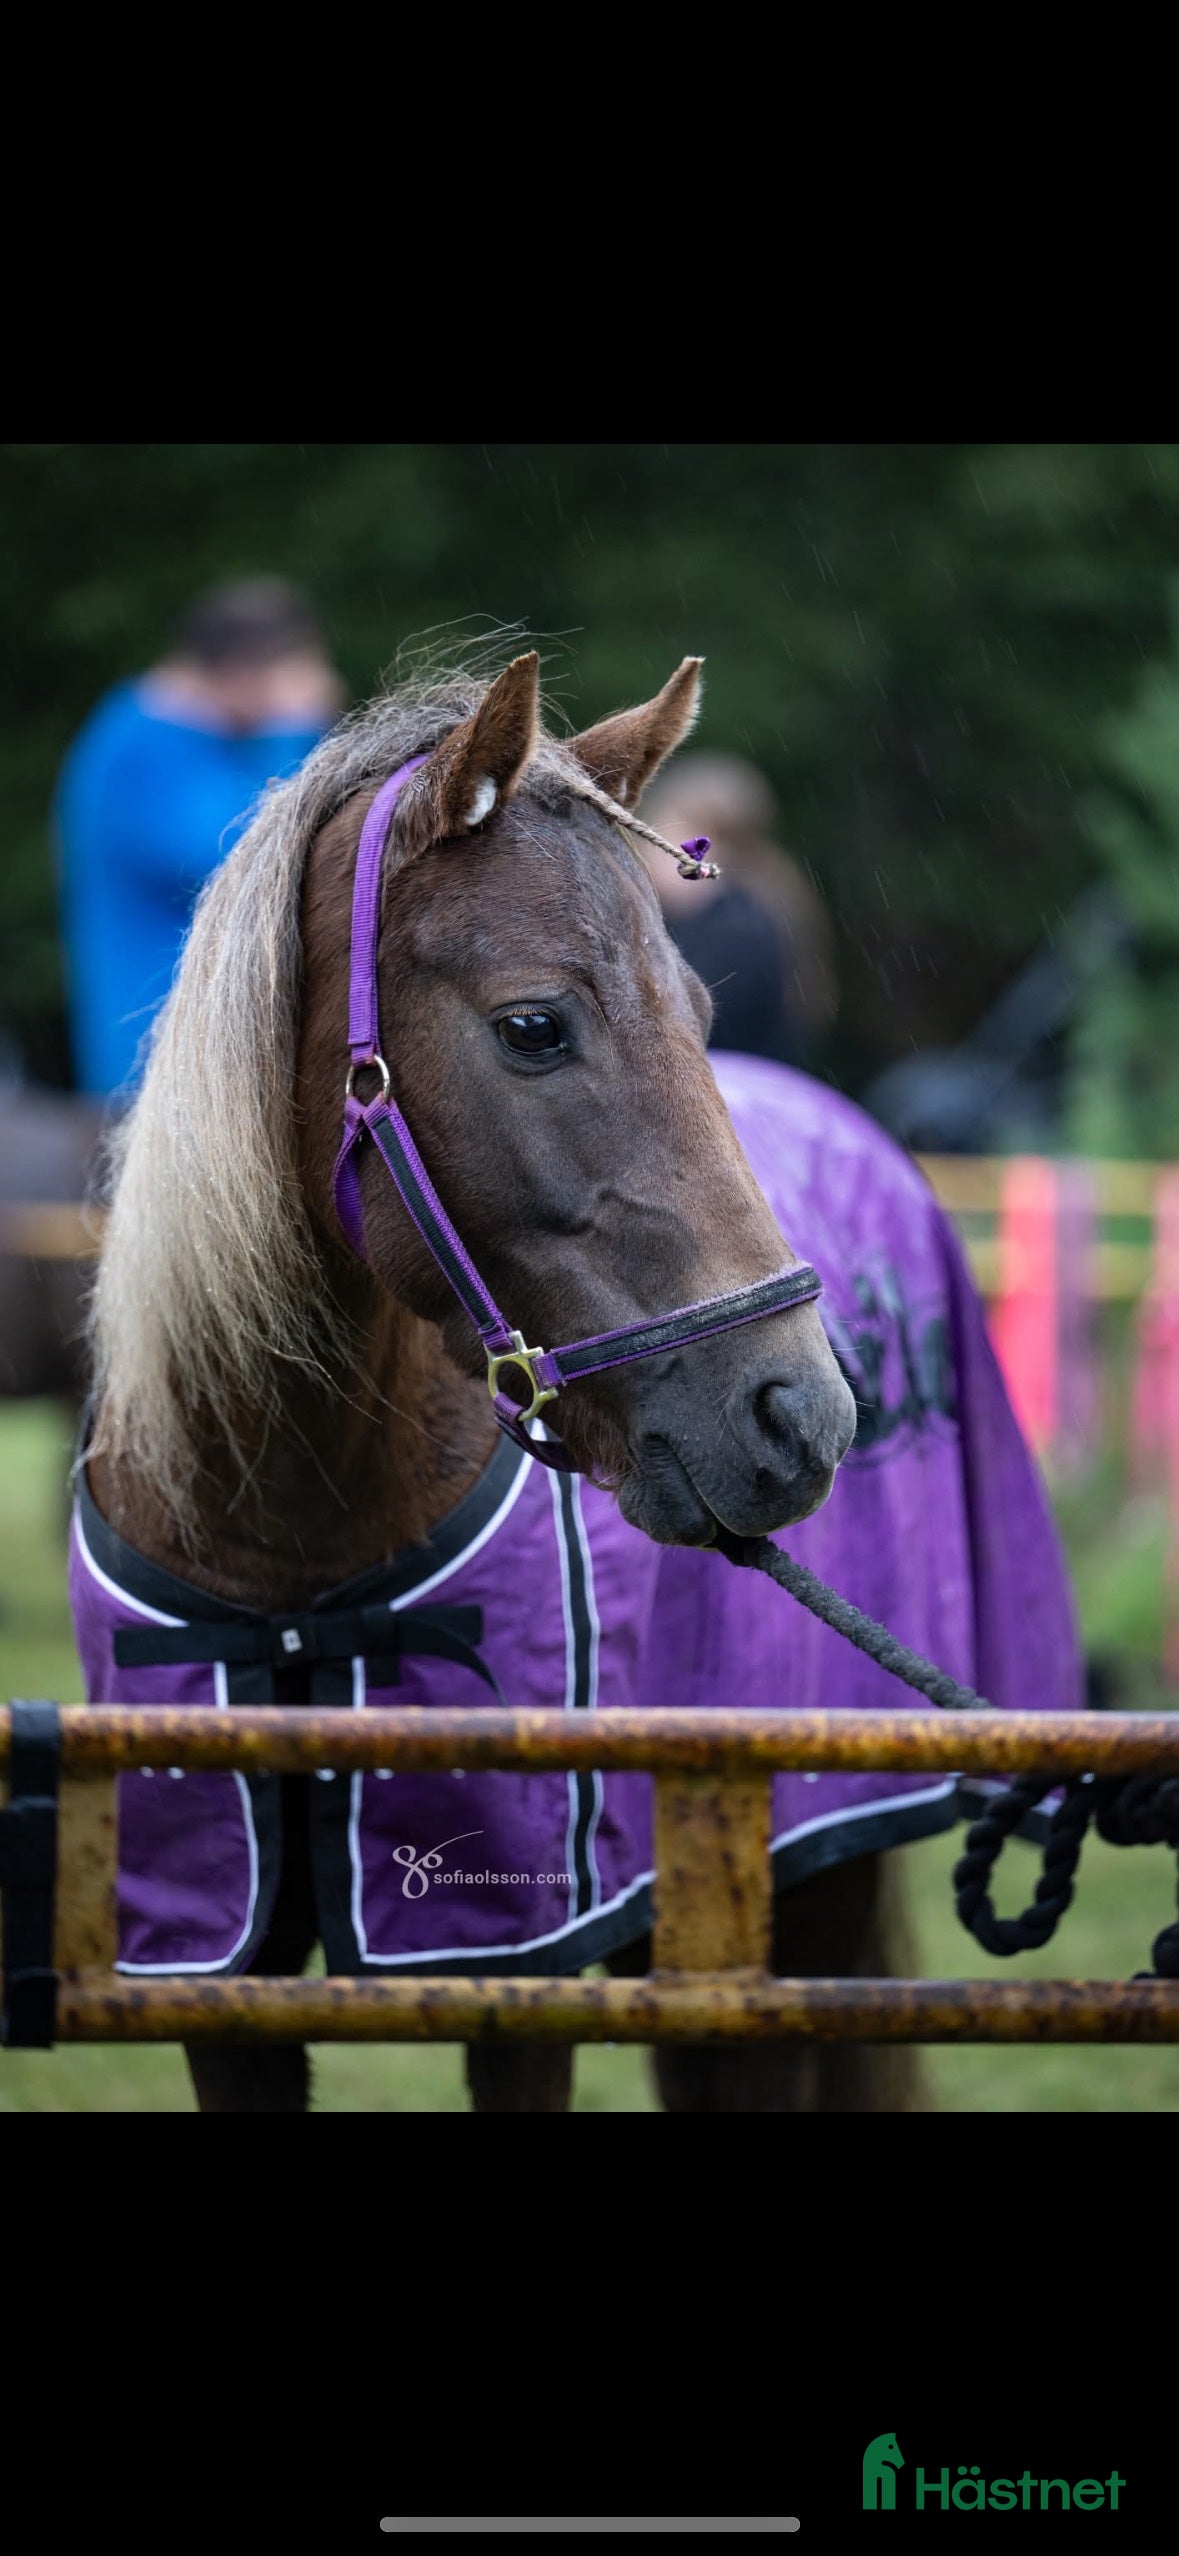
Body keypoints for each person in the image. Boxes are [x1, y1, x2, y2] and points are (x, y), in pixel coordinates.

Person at [56, 577, 345, 1100]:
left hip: (191, 1056)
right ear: (242, 673)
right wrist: (292, 725)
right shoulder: (141, 747)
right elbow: (251, 853)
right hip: (156, 1065)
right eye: (294, 676)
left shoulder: (195, 740)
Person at [639, 752, 838, 1069]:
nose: (647, 852)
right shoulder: (743, 916)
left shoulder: (736, 931)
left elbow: (672, 1026)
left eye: (664, 835)